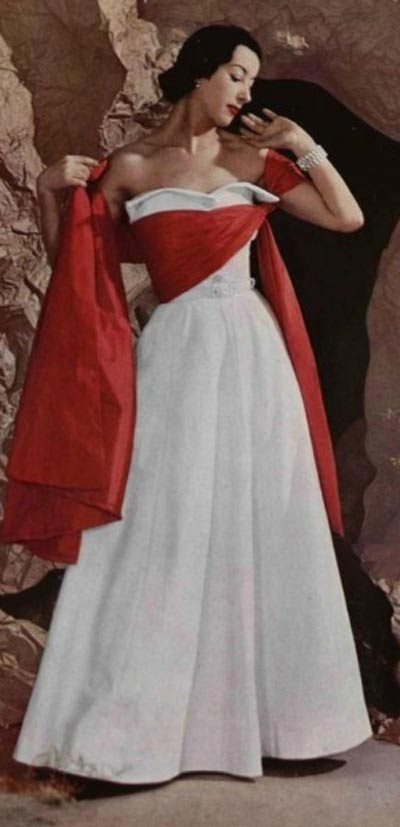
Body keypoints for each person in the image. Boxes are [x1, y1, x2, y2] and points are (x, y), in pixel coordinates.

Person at [11, 24, 372, 783]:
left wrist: (304, 143)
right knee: (159, 526)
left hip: (252, 353)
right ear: (200, 74)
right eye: (238, 75)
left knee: (267, 519)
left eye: (252, 80)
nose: (247, 92)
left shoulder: (255, 158)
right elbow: (79, 265)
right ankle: (123, 738)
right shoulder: (132, 166)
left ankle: (287, 728)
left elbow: (347, 218)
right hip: (175, 352)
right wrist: (48, 190)